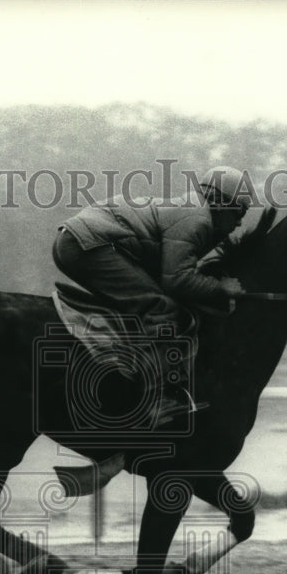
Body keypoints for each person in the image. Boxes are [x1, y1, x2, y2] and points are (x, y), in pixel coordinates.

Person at [52, 165, 251, 424]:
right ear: (220, 203)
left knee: (149, 302)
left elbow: (171, 275)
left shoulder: (195, 213)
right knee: (159, 307)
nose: (239, 223)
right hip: (87, 244)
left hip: (81, 241)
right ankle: (158, 399)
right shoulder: (197, 219)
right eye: (239, 212)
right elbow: (176, 280)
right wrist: (220, 288)